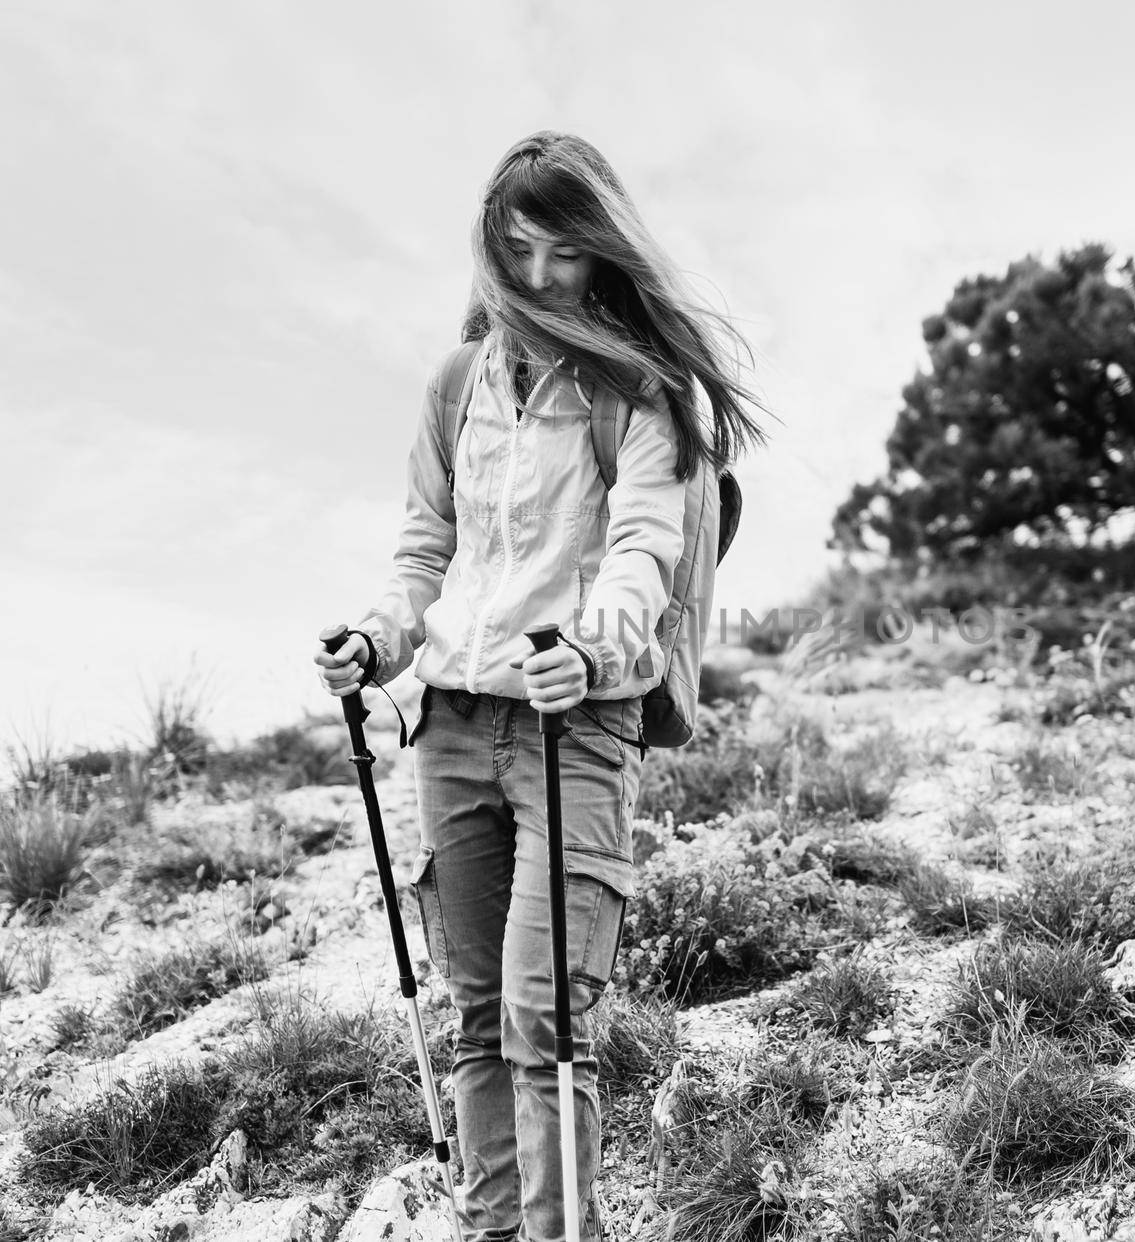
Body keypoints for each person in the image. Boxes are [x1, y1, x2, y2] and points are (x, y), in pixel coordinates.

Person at [313, 131, 764, 1242]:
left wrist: (598, 650)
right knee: (475, 1019)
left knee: (546, 1019)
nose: (540, 278)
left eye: (567, 253)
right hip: (452, 725)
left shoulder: (634, 392)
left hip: (575, 723)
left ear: (603, 254)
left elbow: (640, 555)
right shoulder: (456, 382)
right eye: (518, 249)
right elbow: (427, 552)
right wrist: (375, 642)